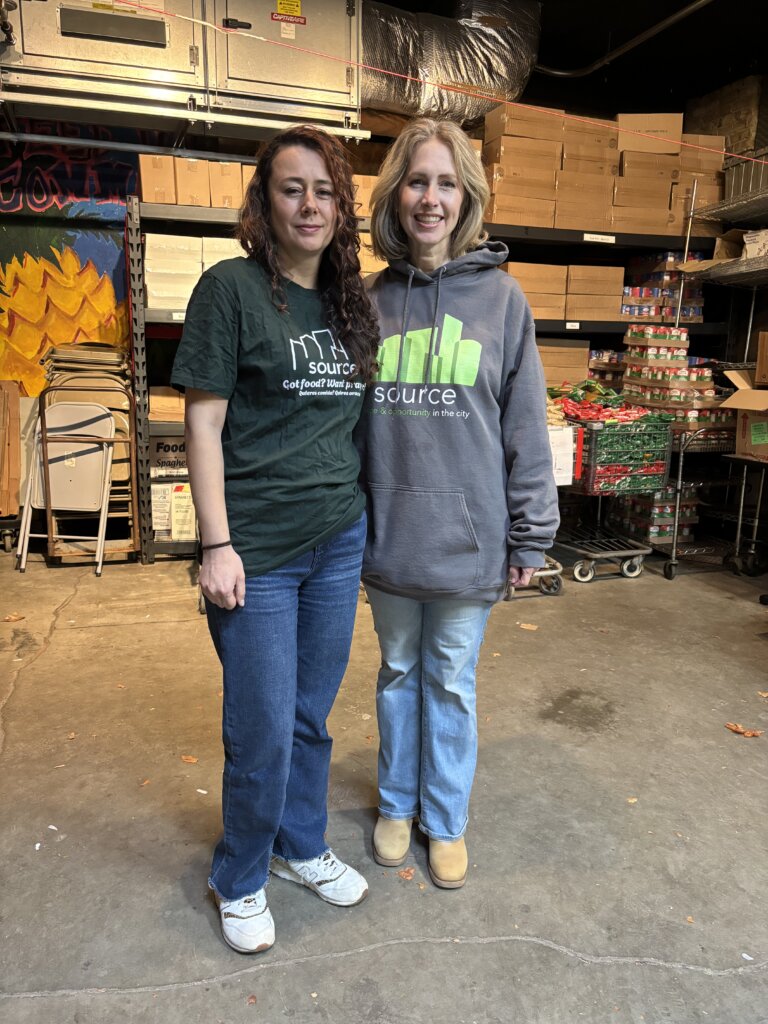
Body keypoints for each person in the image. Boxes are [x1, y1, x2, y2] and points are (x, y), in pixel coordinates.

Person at [171, 125, 380, 953]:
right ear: (263, 201)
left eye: (325, 190)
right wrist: (214, 545)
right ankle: (241, 873)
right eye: (292, 188)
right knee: (259, 723)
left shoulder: (347, 301)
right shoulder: (230, 290)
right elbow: (203, 423)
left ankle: (300, 846)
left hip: (337, 540)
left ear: (341, 207)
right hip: (256, 552)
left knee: (310, 717)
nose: (310, 205)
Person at [356, 118, 559, 889]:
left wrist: (532, 536)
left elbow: (524, 426)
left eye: (445, 183)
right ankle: (395, 806)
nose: (429, 198)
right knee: (398, 673)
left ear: (466, 196)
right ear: (396, 194)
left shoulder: (503, 303)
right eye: (416, 181)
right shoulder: (369, 302)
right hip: (390, 541)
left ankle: (444, 820)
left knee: (449, 681)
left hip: (469, 545)